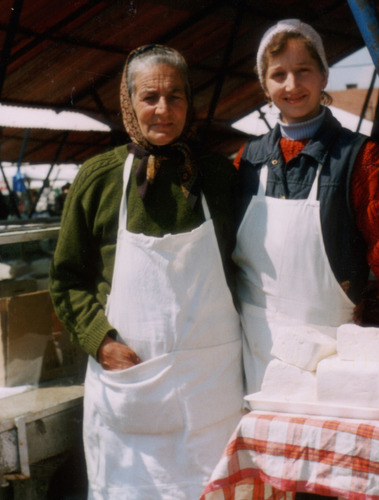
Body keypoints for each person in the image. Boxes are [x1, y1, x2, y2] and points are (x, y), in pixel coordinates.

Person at [232, 19, 379, 397]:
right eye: (279, 75)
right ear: (264, 84)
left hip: (331, 358)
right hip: (252, 355)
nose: (291, 86)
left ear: (324, 75)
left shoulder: (361, 157)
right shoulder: (246, 159)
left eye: (303, 71)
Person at [49, 44, 244, 500]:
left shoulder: (217, 175)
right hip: (131, 388)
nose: (163, 109)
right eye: (150, 97)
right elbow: (67, 278)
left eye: (176, 97)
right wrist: (102, 340)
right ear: (128, 102)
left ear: (189, 103)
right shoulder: (98, 178)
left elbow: (247, 266)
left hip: (211, 391)